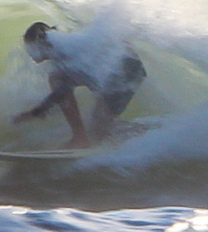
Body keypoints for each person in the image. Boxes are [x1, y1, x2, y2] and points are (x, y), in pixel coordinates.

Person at [12, 21, 147, 148]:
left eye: (30, 47)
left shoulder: (61, 50)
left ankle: (80, 138)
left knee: (56, 79)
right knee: (98, 130)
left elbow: (63, 90)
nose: (29, 53)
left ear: (40, 44)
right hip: (122, 70)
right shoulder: (61, 47)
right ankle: (146, 132)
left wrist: (35, 113)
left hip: (126, 71)